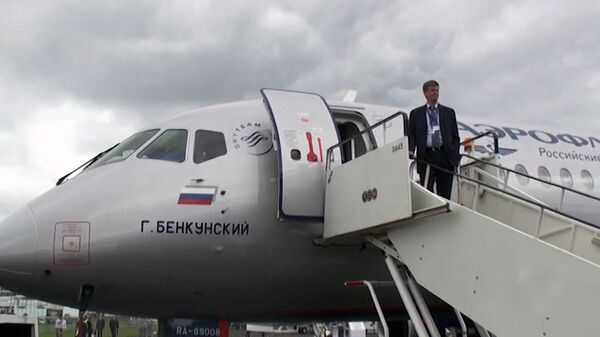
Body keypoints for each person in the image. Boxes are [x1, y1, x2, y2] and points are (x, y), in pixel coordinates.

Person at [408, 80, 460, 199]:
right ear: (425, 93)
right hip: (427, 156)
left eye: (437, 90)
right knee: (428, 191)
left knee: (445, 193)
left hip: (445, 155)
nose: (435, 93)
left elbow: (455, 136)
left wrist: (455, 155)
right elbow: (412, 134)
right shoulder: (416, 114)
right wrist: (411, 150)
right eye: (432, 90)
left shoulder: (449, 112)